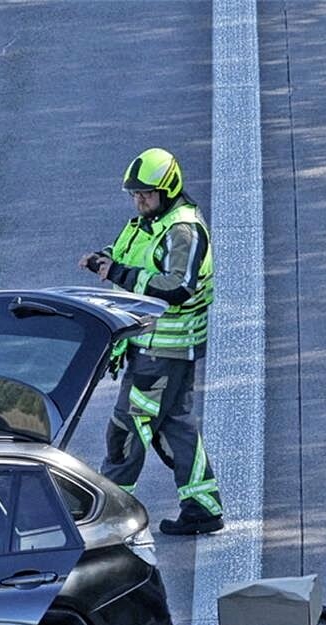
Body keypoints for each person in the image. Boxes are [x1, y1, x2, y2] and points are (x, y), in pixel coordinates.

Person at [80, 148, 223, 536]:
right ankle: (202, 506)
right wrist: (104, 258)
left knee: (127, 429)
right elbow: (128, 253)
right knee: (173, 426)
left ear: (168, 189)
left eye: (146, 193)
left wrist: (118, 273)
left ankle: (107, 517)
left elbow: (176, 287)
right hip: (152, 346)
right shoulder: (148, 221)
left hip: (163, 349)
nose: (139, 199)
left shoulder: (183, 230)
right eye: (135, 194)